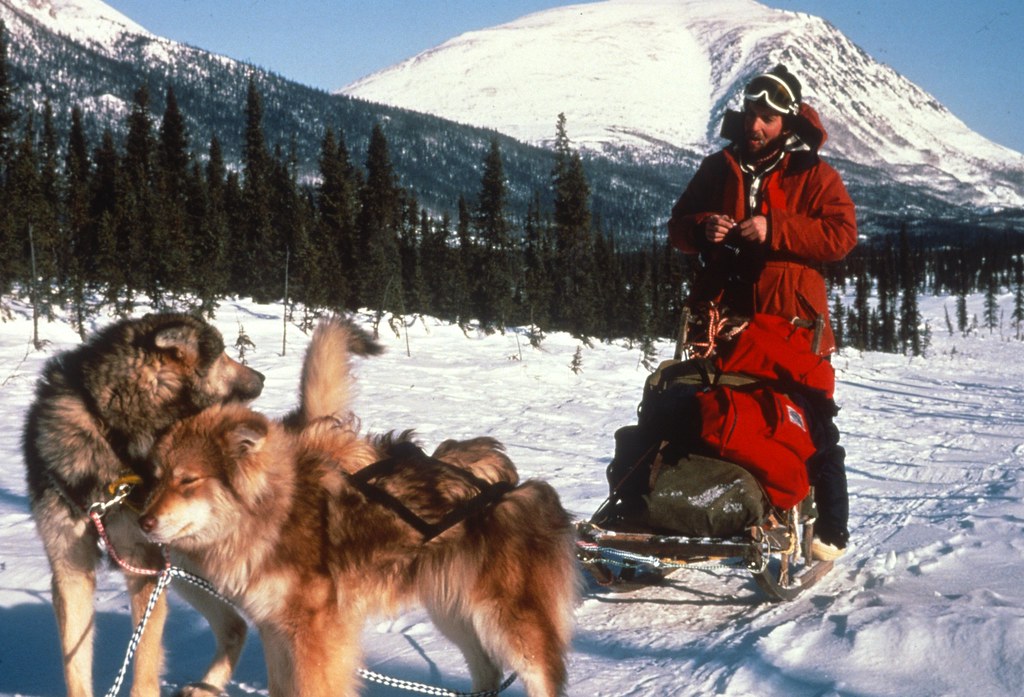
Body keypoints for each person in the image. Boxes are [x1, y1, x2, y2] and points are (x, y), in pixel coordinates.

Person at [666, 64, 857, 560]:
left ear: (787, 121)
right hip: (722, 316)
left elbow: (841, 235)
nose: (755, 125)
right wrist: (702, 228)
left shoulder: (814, 174)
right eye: (751, 113)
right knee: (712, 407)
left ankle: (831, 526)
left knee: (807, 418)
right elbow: (678, 226)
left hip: (791, 318)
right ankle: (707, 504)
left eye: (767, 118)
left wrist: (777, 229)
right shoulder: (718, 167)